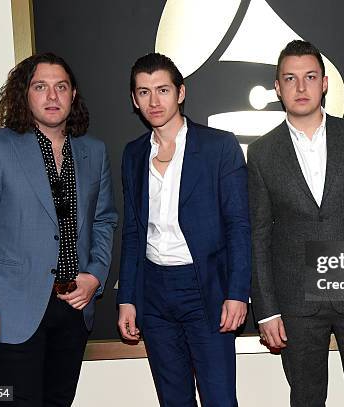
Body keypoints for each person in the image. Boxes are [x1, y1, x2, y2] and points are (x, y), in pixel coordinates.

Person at [0, 52, 118, 406]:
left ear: (73, 95)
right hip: (12, 310)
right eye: (40, 86)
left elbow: (104, 220)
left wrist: (95, 275)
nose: (52, 96)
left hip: (73, 309)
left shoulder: (94, 151)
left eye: (61, 87)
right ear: (24, 94)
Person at [247, 40, 344, 407]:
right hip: (296, 300)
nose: (301, 87)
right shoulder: (262, 152)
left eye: (310, 77)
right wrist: (266, 310)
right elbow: (259, 235)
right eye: (291, 79)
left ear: (325, 83)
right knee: (307, 398)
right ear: (278, 88)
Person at [116, 53, 251, 406]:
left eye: (162, 89)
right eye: (143, 92)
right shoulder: (132, 154)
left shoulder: (218, 146)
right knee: (172, 398)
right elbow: (132, 231)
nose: (154, 101)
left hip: (204, 287)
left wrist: (237, 292)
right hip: (153, 291)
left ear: (180, 93)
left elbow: (238, 225)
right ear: (134, 100)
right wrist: (127, 297)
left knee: (219, 396)